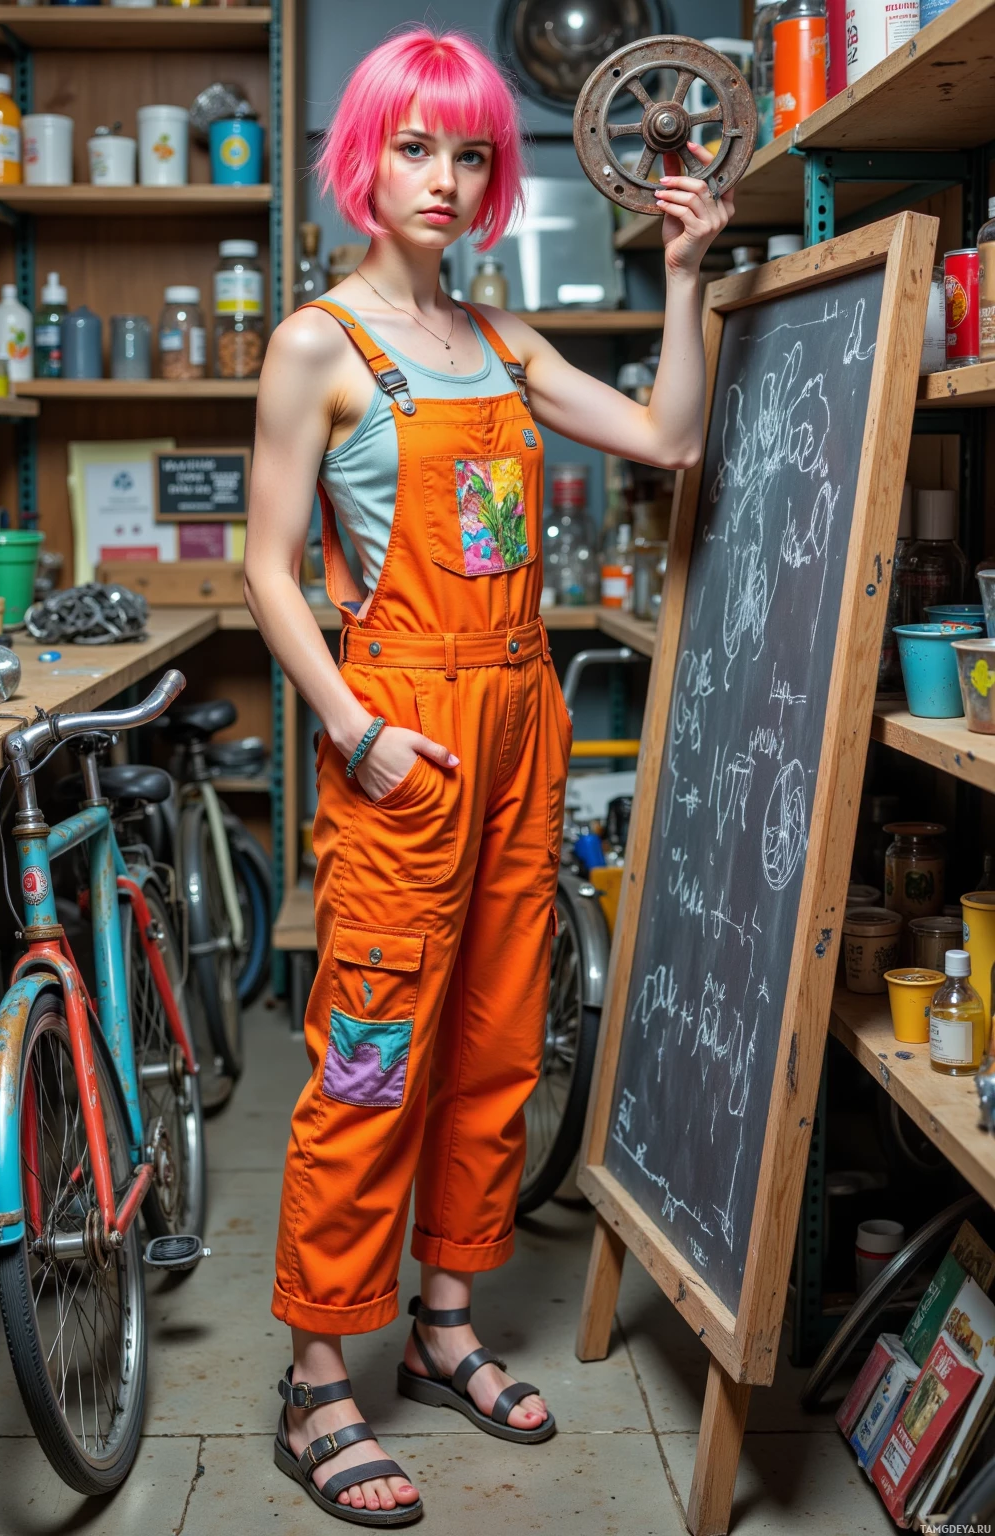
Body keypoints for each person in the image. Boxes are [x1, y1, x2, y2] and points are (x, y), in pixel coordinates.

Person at [244, 26, 734, 1528]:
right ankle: (320, 1376)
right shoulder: (320, 344)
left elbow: (668, 434)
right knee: (373, 1060)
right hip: (405, 737)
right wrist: (354, 728)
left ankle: (446, 1320)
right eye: (415, 147)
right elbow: (265, 568)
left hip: (518, 720)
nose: (445, 178)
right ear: (365, 160)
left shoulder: (506, 344)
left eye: (470, 154)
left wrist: (685, 275)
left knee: (500, 1044)